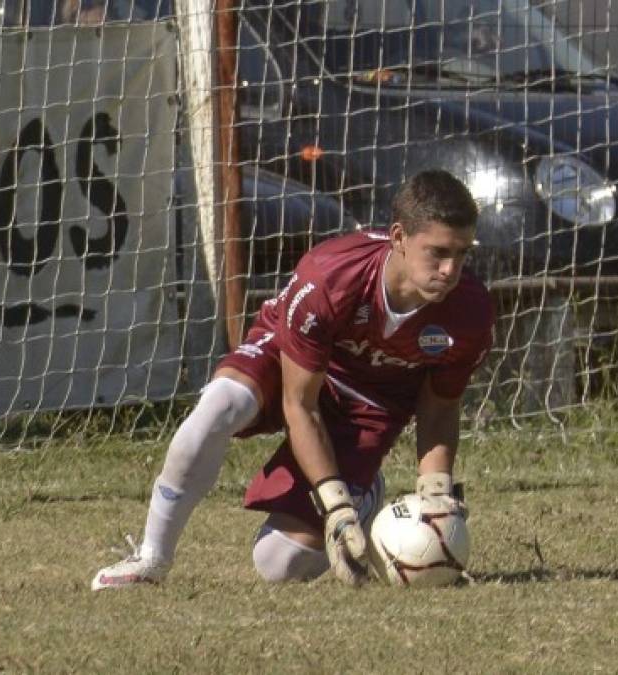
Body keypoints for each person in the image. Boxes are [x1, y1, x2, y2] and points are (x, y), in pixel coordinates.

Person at [91, 169, 495, 589]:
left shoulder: (470, 310)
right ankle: (151, 559)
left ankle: (367, 491)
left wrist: (436, 494)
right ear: (398, 237)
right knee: (219, 406)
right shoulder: (330, 276)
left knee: (278, 563)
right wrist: (336, 505)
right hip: (290, 360)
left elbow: (440, 403)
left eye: (462, 254)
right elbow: (299, 405)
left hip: (368, 405)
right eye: (438, 253)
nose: (451, 269)